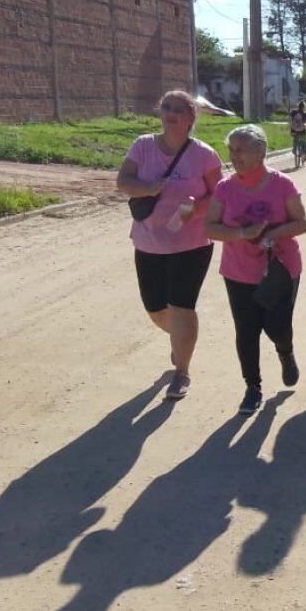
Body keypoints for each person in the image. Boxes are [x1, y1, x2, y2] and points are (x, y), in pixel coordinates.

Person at [115, 90, 223, 400]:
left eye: (178, 109)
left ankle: (182, 371)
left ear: (191, 118)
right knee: (156, 309)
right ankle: (180, 338)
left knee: (182, 306)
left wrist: (196, 209)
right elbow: (123, 182)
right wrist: (148, 188)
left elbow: (220, 195)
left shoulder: (204, 154)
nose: (170, 113)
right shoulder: (143, 146)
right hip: (148, 241)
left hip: (192, 244)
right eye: (166, 107)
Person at [204, 125, 306, 414]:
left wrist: (272, 234)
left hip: (280, 268)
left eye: (241, 149)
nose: (234, 156)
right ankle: (253, 387)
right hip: (238, 271)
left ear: (261, 151)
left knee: (277, 327)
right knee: (246, 331)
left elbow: (301, 222)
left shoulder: (282, 184)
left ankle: (285, 352)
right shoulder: (225, 188)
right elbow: (209, 226)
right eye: (231, 150)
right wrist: (241, 234)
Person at [289, 100, 306, 168]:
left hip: (294, 131)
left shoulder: (293, 112)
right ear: (304, 107)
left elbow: (290, 120)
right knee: (304, 143)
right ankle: (304, 157)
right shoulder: (305, 114)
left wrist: (291, 128)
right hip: (302, 132)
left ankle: (294, 149)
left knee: (295, 141)